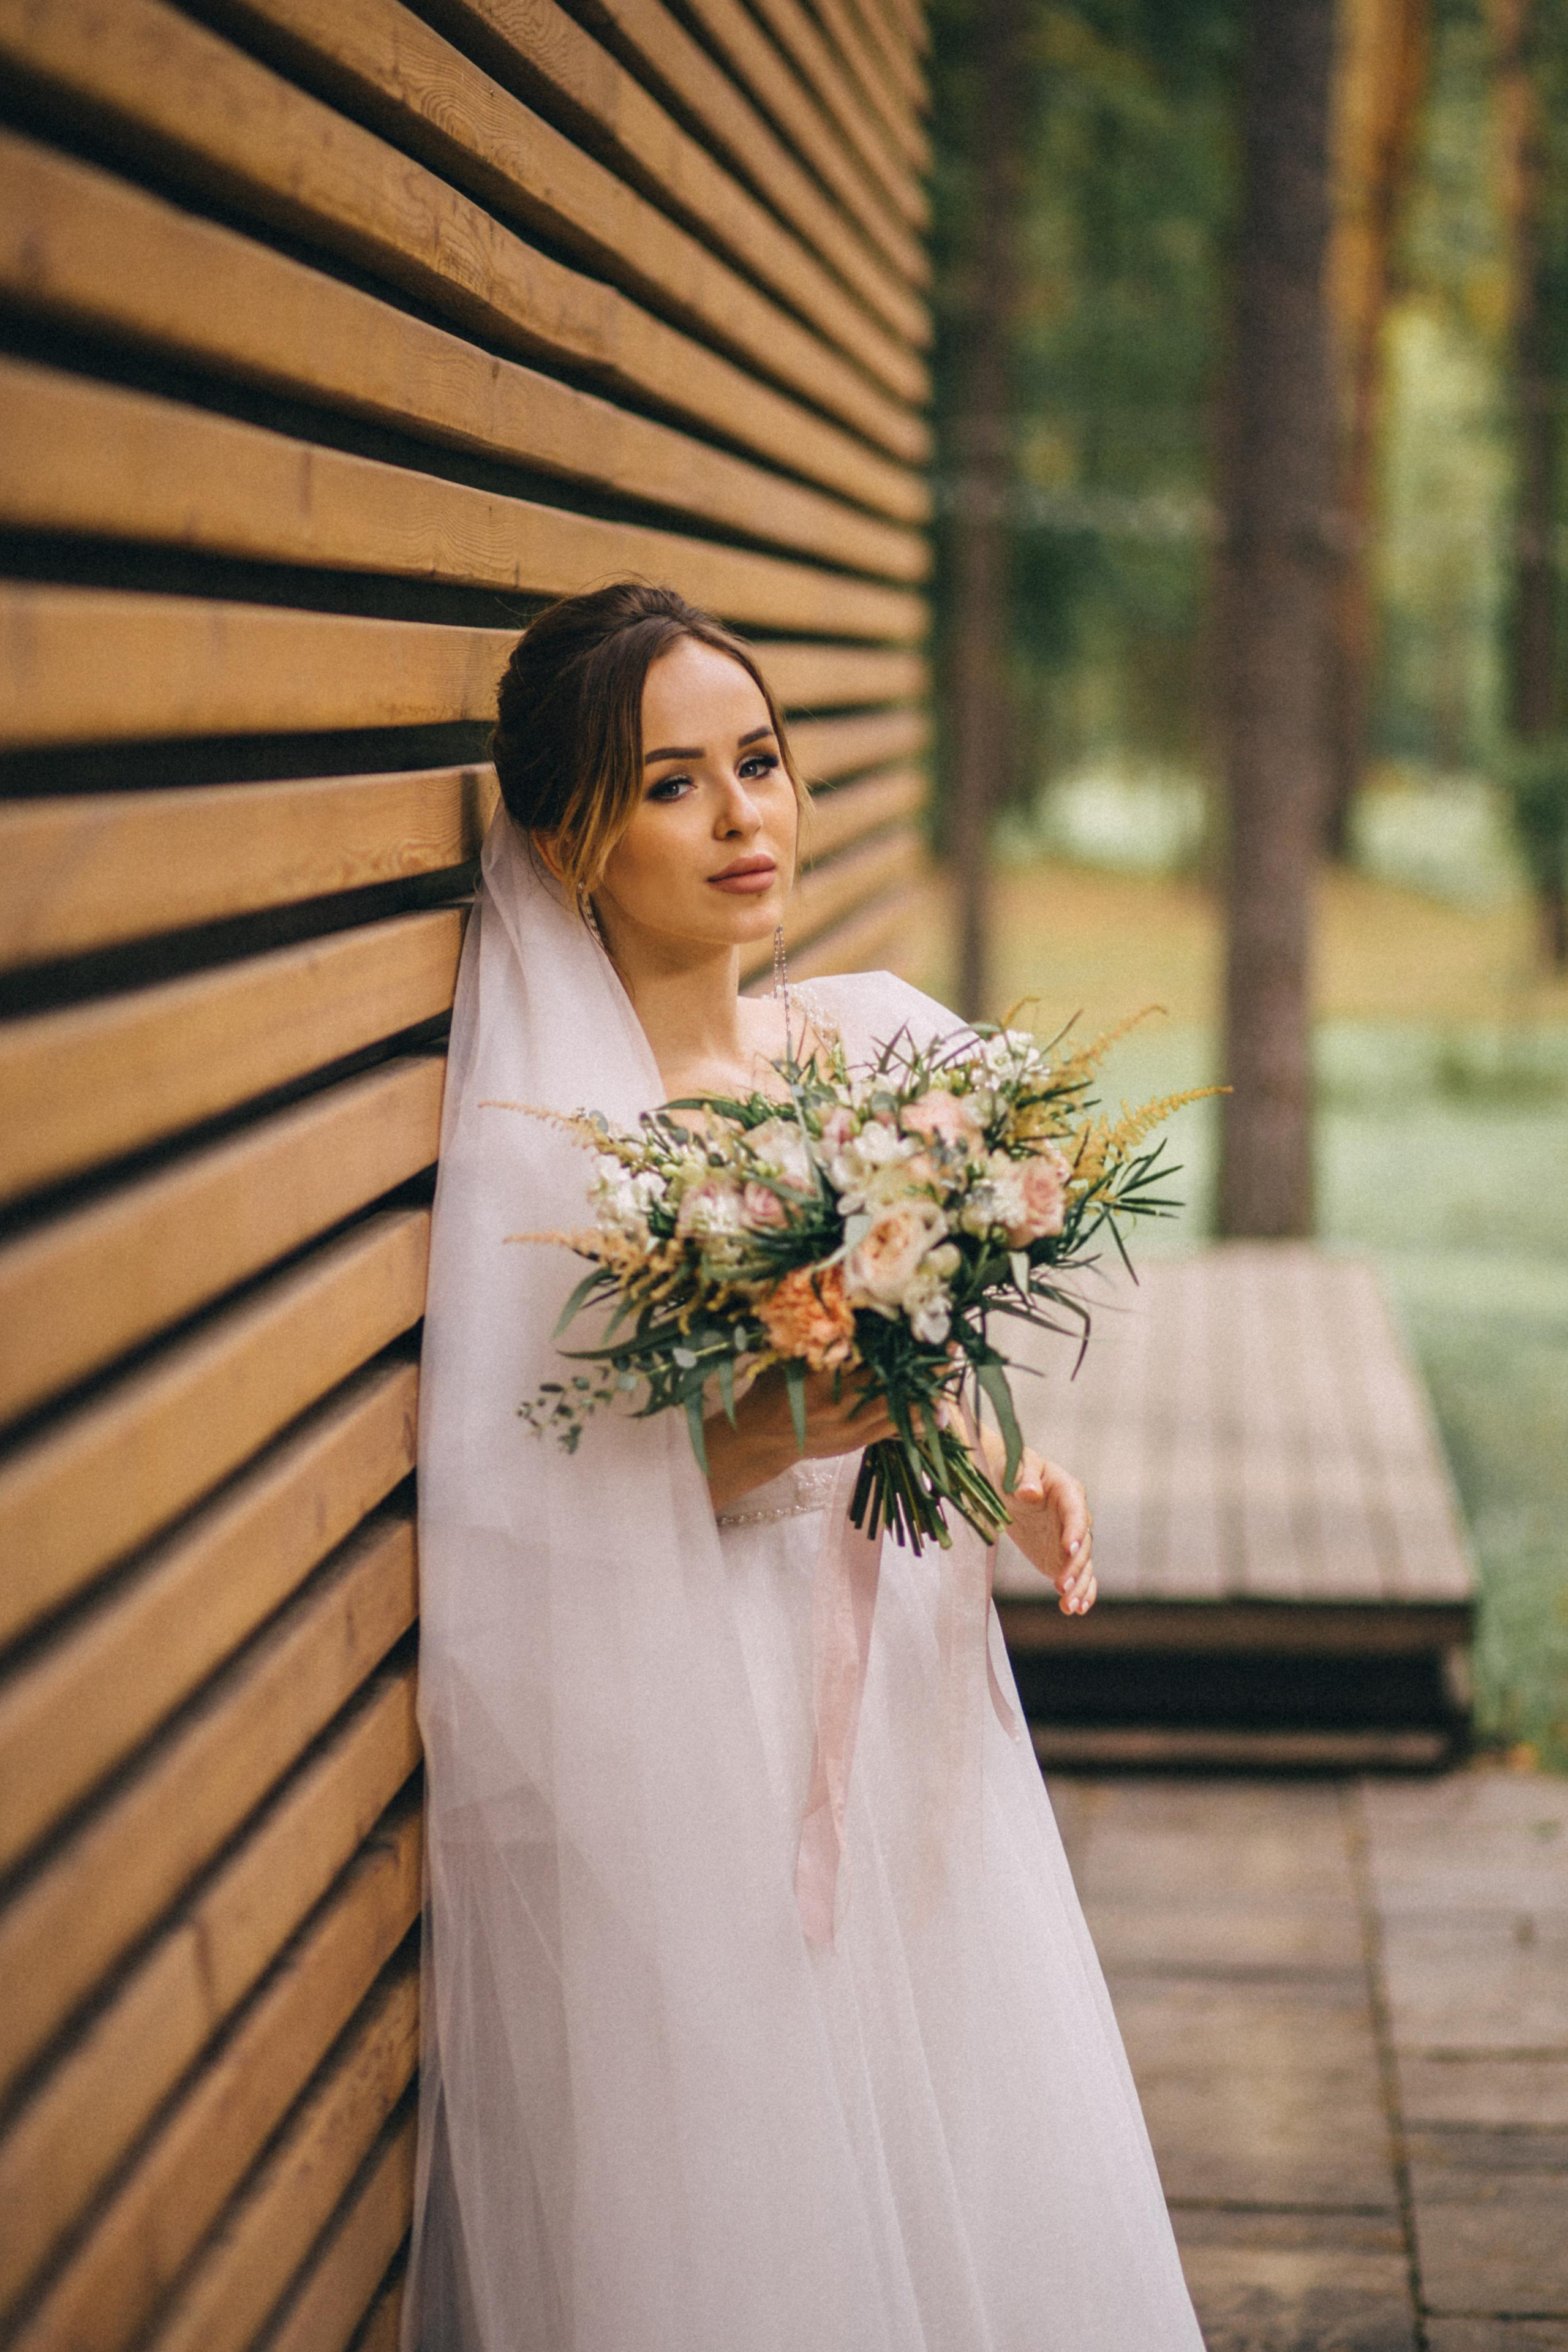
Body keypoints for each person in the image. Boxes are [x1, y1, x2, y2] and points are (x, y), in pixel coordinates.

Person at [405, 583, 1203, 2350]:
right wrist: (790, 1426)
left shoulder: (874, 1049)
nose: (738, 816)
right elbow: (559, 1492)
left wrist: (996, 1469)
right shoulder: (576, 1145)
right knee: (767, 2123)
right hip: (711, 1694)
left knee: (943, 2073)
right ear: (571, 839)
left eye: (755, 763)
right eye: (670, 784)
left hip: (904, 1670)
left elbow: (919, 1355)